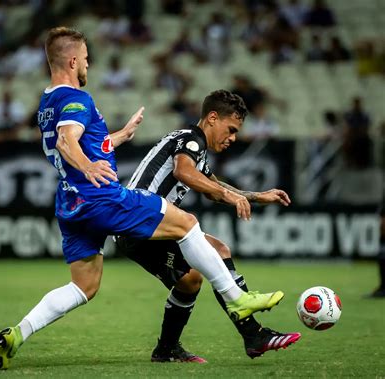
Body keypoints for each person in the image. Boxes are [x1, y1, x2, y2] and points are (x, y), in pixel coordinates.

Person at [0, 27, 284, 370]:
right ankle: (238, 299)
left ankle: (17, 334)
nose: (88, 65)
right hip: (100, 196)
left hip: (70, 204)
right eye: (85, 59)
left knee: (84, 286)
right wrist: (88, 168)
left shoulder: (47, 103)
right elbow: (66, 142)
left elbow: (77, 140)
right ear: (72, 60)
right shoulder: (77, 98)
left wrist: (118, 137)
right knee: (187, 224)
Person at [116, 89, 301, 363]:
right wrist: (231, 196)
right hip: (139, 223)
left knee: (200, 269)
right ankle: (253, 334)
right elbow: (183, 172)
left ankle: (167, 350)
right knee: (203, 262)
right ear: (212, 118)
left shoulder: (193, 147)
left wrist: (255, 196)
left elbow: (213, 186)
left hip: (149, 224)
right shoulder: (191, 140)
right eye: (231, 129)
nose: (233, 138)